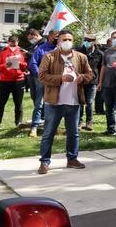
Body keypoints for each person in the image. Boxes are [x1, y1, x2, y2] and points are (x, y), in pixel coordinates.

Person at [37, 29, 93, 174]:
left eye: (69, 39)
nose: (67, 42)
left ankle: (72, 159)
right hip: (54, 103)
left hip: (73, 102)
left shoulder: (81, 57)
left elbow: (90, 74)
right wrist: (60, 78)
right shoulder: (49, 57)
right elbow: (41, 76)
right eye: (64, 39)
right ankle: (44, 162)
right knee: (48, 133)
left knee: (74, 133)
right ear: (58, 41)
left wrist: (82, 77)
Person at [0, 36, 28, 131]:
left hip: (18, 80)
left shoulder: (22, 52)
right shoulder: (3, 52)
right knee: (0, 103)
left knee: (18, 103)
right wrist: (5, 65)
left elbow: (26, 67)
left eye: (15, 42)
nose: (14, 43)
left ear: (18, 41)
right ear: (8, 42)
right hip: (5, 81)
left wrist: (20, 64)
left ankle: (18, 123)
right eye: (12, 42)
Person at [28, 30, 59, 137]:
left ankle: (50, 127)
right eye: (55, 37)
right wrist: (40, 75)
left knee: (53, 104)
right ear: (50, 36)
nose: (57, 39)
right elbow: (33, 63)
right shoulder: (41, 48)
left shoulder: (59, 49)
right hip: (42, 80)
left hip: (55, 81)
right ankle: (34, 127)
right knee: (39, 103)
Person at [78, 34, 102, 131]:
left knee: (89, 102)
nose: (87, 42)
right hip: (80, 80)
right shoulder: (78, 51)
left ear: (94, 42)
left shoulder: (99, 54)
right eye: (85, 40)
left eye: (89, 40)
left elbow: (101, 68)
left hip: (92, 81)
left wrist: (100, 82)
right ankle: (79, 121)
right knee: (80, 102)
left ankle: (89, 122)